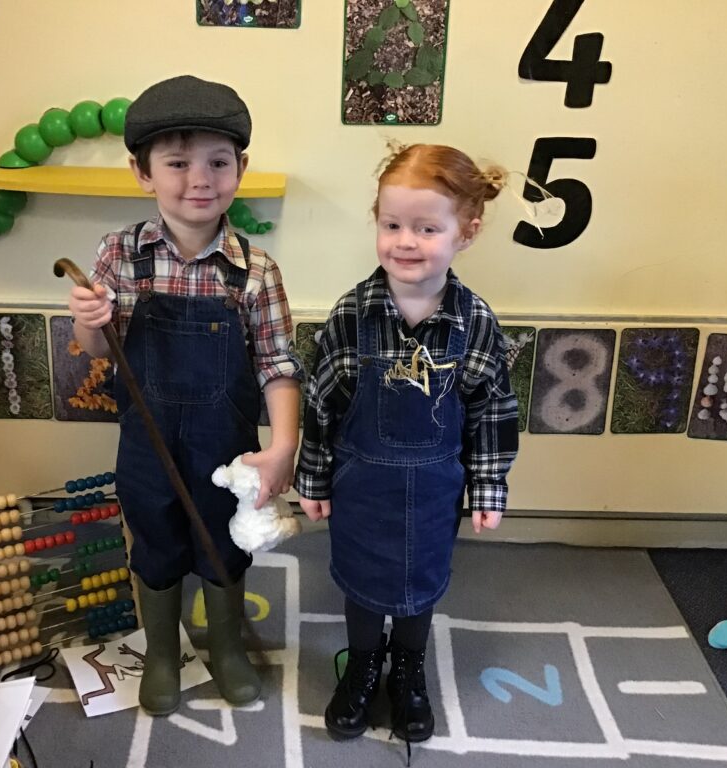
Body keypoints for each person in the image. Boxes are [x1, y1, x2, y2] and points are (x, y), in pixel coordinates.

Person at [68, 75, 301, 716]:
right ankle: (163, 652)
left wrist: (283, 447)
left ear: (240, 169)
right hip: (146, 443)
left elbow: (279, 366)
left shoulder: (256, 271)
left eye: (218, 163)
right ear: (142, 173)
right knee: (156, 540)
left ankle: (226, 646)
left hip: (225, 447)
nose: (200, 179)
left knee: (223, 541)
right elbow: (95, 349)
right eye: (177, 163)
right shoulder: (119, 254)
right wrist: (88, 319)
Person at [296, 143, 519, 745]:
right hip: (362, 485)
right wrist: (312, 478)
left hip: (435, 490)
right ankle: (363, 664)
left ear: (466, 232)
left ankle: (408, 667)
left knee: (419, 583)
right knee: (364, 583)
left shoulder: (475, 321)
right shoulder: (352, 314)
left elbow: (493, 411)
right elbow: (322, 403)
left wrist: (488, 485)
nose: (405, 242)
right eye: (392, 225)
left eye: (427, 228)